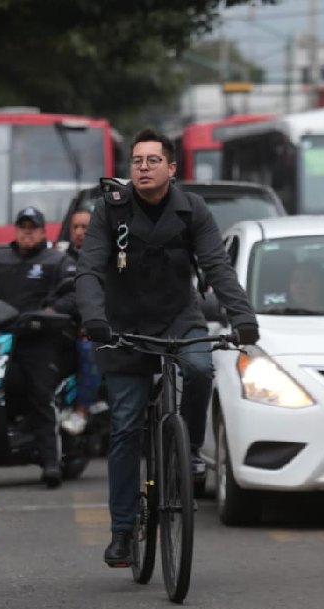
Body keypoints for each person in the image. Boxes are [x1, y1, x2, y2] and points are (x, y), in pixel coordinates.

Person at [76, 129, 259, 568]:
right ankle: (122, 530)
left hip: (180, 318)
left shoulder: (192, 209)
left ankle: (189, 450)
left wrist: (243, 317)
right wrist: (94, 318)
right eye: (137, 161)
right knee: (123, 425)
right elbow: (89, 270)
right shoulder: (109, 210)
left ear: (172, 168)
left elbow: (217, 266)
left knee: (199, 370)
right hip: (122, 326)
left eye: (152, 160)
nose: (142, 167)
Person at [0, 206, 77, 488]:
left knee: (40, 393)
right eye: (22, 226)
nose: (27, 231)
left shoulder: (57, 260)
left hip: (39, 338)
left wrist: (52, 309)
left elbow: (74, 291)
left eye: (32, 227)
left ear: (42, 231)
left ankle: (51, 462)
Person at [62, 206, 103, 436]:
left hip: (93, 331)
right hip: (60, 328)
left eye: (85, 227)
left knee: (90, 349)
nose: (79, 232)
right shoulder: (59, 259)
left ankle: (82, 410)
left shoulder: (106, 259)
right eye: (75, 227)